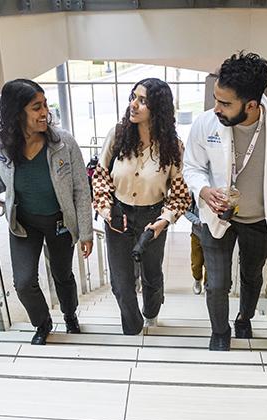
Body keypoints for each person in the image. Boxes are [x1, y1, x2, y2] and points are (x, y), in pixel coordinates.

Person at [183, 52, 267, 351]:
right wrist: (203, 191)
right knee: (216, 284)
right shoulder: (205, 124)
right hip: (218, 217)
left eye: (225, 103)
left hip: (260, 219)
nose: (216, 108)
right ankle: (219, 332)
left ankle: (245, 318)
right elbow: (192, 166)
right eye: (216, 99)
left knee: (252, 277)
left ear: (252, 105)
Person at [0, 79, 93, 345]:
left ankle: (70, 314)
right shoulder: (0, 146)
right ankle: (43, 322)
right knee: (23, 282)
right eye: (36, 107)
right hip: (24, 223)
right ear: (17, 112)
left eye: (45, 106)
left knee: (62, 275)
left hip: (60, 223)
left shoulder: (63, 142)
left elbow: (81, 190)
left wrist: (86, 232)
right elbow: (0, 181)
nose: (45, 113)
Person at [92, 78, 191, 335]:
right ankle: (133, 328)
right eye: (133, 97)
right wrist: (107, 211)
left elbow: (181, 196)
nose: (133, 105)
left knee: (151, 275)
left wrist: (163, 221)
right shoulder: (117, 135)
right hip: (118, 215)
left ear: (158, 109)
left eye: (142, 101)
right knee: (121, 283)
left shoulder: (173, 147)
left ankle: (151, 312)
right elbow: (100, 177)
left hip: (152, 217)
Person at [184, 197, 206, 295]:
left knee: (210, 264)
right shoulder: (194, 191)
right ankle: (197, 280)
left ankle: (208, 285)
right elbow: (186, 211)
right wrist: (198, 221)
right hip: (197, 234)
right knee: (196, 262)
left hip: (214, 235)